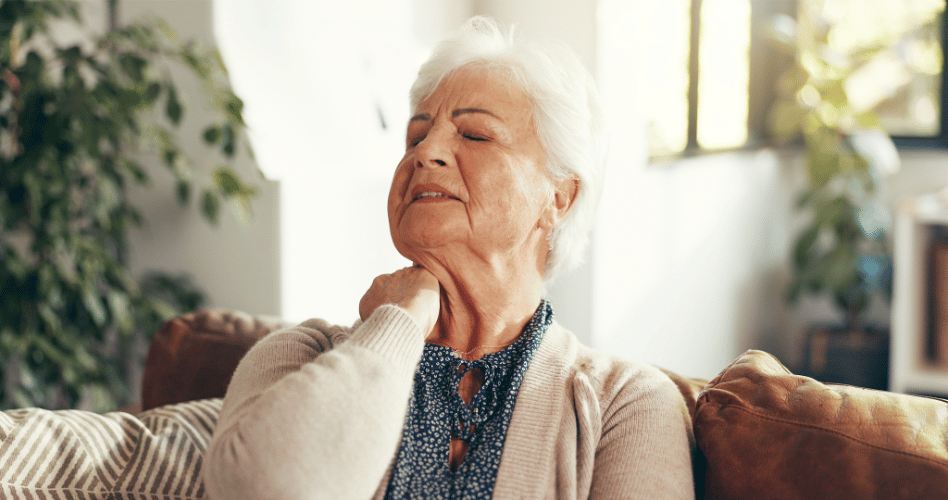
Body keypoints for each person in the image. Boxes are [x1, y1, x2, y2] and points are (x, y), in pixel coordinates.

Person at [204, 16, 695, 500]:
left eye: (475, 135)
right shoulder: (299, 356)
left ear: (559, 198)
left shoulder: (626, 404)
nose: (426, 152)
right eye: (415, 136)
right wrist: (398, 320)